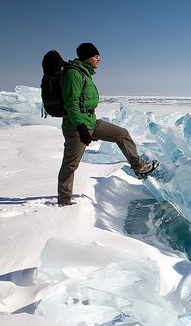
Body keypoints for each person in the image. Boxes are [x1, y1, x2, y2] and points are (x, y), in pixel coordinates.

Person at [57, 42, 158, 206]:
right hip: (76, 127)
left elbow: (86, 102)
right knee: (70, 164)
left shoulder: (85, 74)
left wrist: (89, 127)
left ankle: (139, 167)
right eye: (96, 56)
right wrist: (81, 128)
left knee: (122, 134)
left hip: (91, 123)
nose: (99, 59)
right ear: (88, 57)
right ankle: (64, 200)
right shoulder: (73, 74)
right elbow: (71, 104)